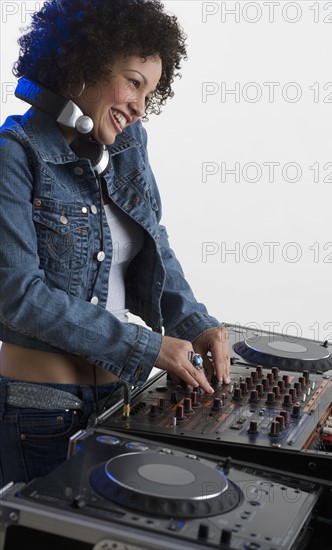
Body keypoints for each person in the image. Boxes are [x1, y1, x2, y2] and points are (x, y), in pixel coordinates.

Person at [0, 0, 231, 487]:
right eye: (133, 82)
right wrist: (145, 346)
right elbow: (17, 295)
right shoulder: (12, 157)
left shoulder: (127, 145)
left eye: (150, 91)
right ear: (80, 65)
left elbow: (154, 242)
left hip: (121, 398)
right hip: (40, 412)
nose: (141, 106)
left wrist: (197, 322)